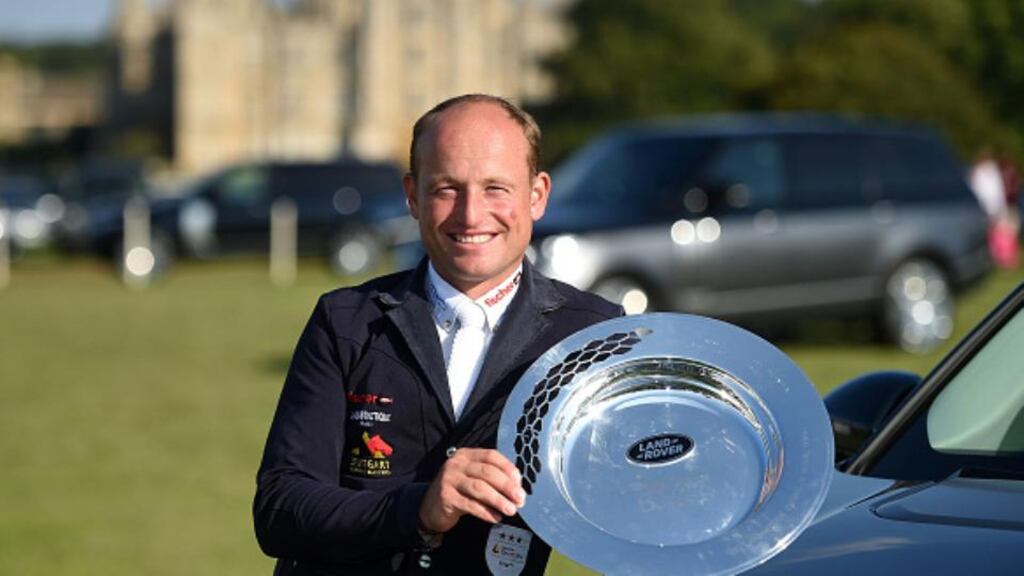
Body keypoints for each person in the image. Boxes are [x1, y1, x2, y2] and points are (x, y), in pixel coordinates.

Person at [254, 94, 622, 575]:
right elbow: (280, 510)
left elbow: (636, 502)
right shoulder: (345, 321)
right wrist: (419, 509)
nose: (471, 215)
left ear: (537, 195)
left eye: (496, 188)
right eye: (447, 188)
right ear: (413, 195)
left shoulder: (591, 336)